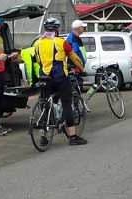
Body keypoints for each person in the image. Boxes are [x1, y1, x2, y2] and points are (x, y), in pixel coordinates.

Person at [33, 18, 88, 146]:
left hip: (44, 78)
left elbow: (37, 60)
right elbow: (74, 57)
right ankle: (73, 137)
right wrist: (81, 68)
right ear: (57, 30)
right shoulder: (60, 42)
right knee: (67, 104)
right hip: (59, 77)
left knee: (44, 104)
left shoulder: (38, 43)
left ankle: (43, 136)